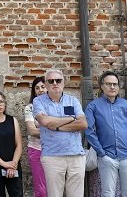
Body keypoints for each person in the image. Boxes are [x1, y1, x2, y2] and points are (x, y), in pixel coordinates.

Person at [84, 71, 127, 197]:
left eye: (115, 84)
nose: (112, 87)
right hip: (107, 157)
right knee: (108, 193)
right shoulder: (93, 106)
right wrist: (101, 153)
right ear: (102, 86)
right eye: (108, 84)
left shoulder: (125, 105)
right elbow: (89, 130)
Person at [33, 68, 87, 197]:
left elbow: (83, 124)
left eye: (58, 80)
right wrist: (71, 118)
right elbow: (45, 122)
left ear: (64, 82)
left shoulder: (73, 100)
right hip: (53, 156)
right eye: (51, 81)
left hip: (76, 155)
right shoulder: (38, 101)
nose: (55, 83)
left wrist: (57, 126)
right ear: (46, 84)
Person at [23, 77, 47, 197]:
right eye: (37, 88)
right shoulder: (30, 108)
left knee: (55, 186)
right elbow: (32, 130)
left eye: (43, 86)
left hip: (55, 150)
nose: (40, 90)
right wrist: (55, 132)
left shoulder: (55, 106)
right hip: (36, 150)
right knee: (41, 189)